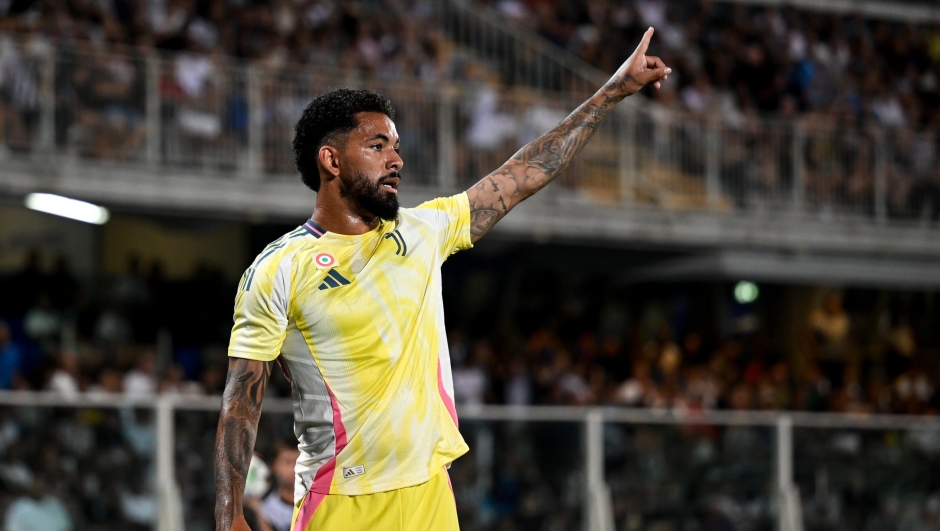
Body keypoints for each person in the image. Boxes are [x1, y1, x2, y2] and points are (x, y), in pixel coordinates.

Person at [213, 28, 670, 531]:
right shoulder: (279, 267)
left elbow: (525, 172)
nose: (396, 159)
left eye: (397, 146)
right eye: (377, 144)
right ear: (331, 159)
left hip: (432, 493)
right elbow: (241, 400)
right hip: (343, 502)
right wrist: (230, 512)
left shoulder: (423, 229)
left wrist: (613, 92)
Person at [260, 441, 302, 531]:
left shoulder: (320, 503)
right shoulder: (265, 510)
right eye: (288, 462)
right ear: (274, 465)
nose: (295, 468)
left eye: (300, 462)